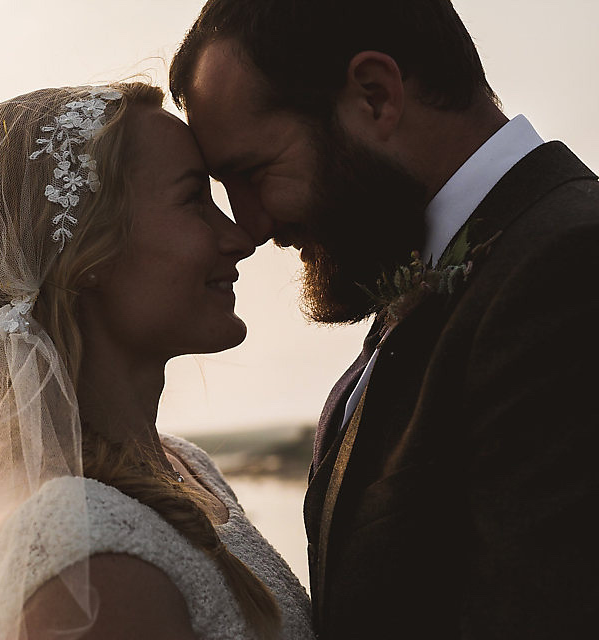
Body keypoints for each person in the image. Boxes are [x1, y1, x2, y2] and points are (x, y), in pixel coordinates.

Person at [168, 0, 599, 638]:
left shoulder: (568, 271)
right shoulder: (454, 272)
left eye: (254, 173)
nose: (251, 226)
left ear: (375, 95)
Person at [0, 82, 315, 639]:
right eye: (194, 199)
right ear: (87, 255)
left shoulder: (186, 468)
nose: (239, 236)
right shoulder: (90, 561)